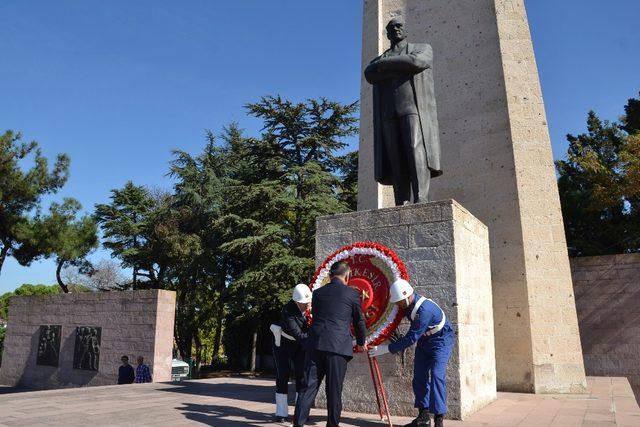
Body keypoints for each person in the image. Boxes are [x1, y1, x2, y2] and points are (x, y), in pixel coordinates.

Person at [364, 17, 442, 206]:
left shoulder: (422, 48)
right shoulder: (379, 59)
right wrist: (400, 65)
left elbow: (417, 62)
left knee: (415, 150)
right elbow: (370, 74)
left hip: (412, 108)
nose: (396, 29)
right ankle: (402, 200)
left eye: (399, 26)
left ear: (405, 31)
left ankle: (421, 196)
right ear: (387, 34)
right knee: (395, 156)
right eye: (391, 28)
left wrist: (388, 65)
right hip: (388, 113)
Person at [369, 279, 455, 427]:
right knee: (419, 376)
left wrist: (385, 349)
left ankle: (439, 419)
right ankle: (423, 417)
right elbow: (391, 319)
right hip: (425, 340)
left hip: (441, 341)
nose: (397, 305)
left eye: (399, 302)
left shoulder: (424, 311)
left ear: (407, 296)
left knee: (436, 375)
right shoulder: (406, 304)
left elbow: (410, 338)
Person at [293, 261, 367, 427]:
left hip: (316, 345)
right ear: (347, 276)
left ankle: (297, 424)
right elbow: (359, 322)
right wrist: (361, 342)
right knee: (334, 391)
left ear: (330, 276)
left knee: (307, 388)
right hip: (338, 347)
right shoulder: (352, 294)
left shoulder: (317, 293)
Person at [269, 284, 312, 422]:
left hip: (300, 346)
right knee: (283, 375)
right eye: (304, 303)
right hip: (283, 345)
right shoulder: (288, 311)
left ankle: (300, 411)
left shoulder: (310, 308)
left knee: (302, 376)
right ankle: (281, 413)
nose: (307, 305)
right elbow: (298, 334)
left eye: (308, 302)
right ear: (297, 302)